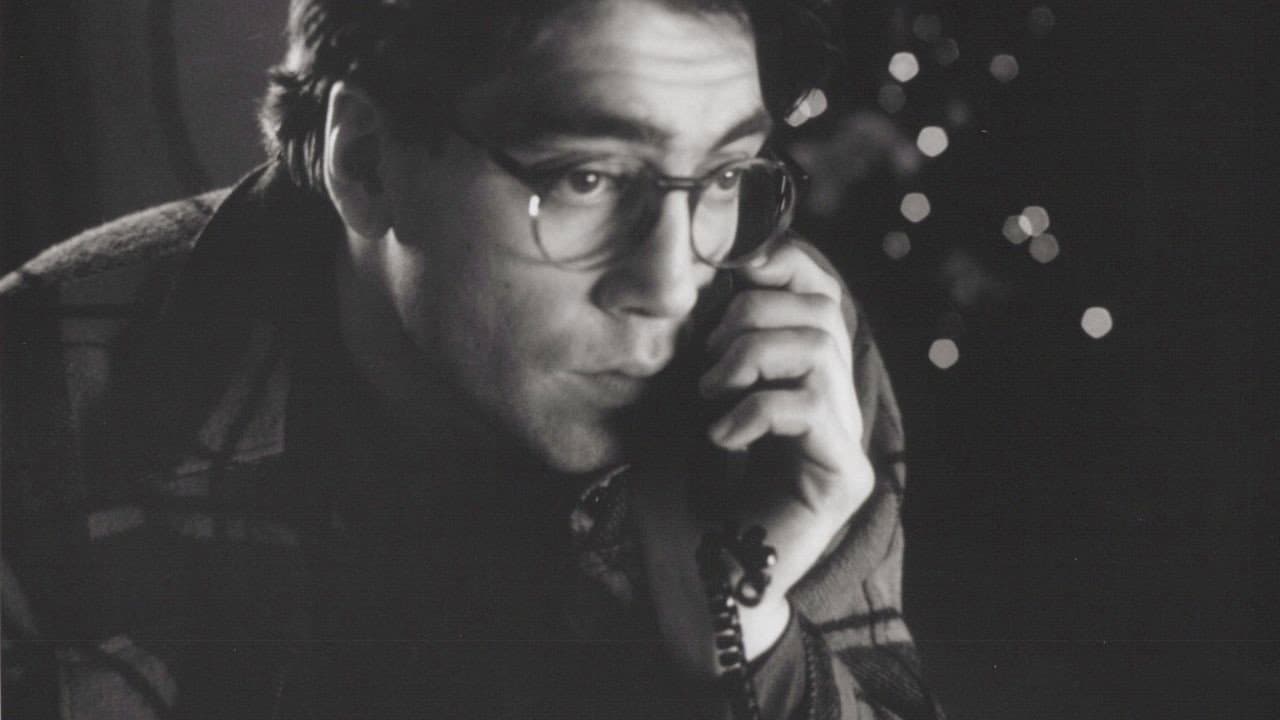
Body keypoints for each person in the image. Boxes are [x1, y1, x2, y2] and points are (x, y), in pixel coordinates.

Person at [0, 0, 940, 717]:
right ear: (366, 161)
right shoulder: (38, 382)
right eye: (585, 178)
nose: (671, 284)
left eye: (725, 175)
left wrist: (743, 629)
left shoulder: (781, 354)